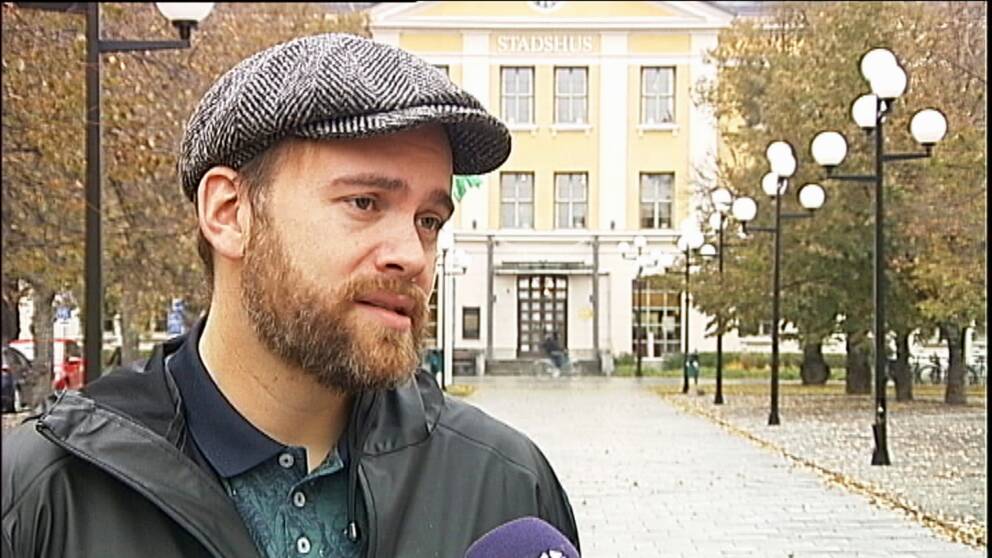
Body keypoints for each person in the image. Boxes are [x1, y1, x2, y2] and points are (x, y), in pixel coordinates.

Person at [2, 33, 578, 557]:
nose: (412, 254)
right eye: (365, 203)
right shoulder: (43, 497)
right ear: (229, 213)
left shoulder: (506, 486)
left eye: (429, 220)